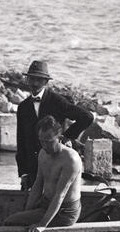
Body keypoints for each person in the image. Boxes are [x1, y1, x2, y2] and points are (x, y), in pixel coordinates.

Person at [15, 60, 93, 191]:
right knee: (33, 203)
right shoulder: (23, 107)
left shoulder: (57, 101)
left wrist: (66, 137)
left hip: (55, 162)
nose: (34, 83)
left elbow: (87, 117)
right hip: (33, 167)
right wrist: (23, 173)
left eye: (39, 80)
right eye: (32, 79)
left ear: (46, 82)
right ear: (27, 79)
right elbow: (21, 142)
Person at [4, 115, 83, 232]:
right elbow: (38, 184)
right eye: (41, 141)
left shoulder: (71, 160)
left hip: (64, 212)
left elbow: (60, 195)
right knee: (17, 219)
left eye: (49, 142)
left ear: (60, 139)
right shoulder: (42, 154)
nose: (44, 146)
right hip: (45, 203)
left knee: (9, 221)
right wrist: (27, 211)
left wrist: (42, 225)